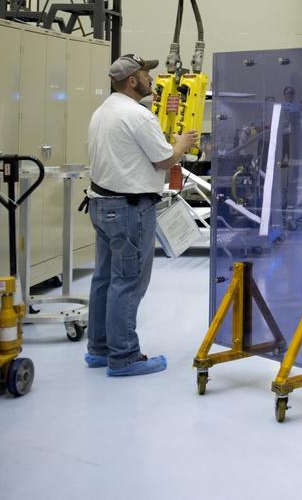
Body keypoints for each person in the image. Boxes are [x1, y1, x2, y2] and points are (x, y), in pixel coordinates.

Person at [86, 54, 198, 377]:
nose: (152, 78)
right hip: (129, 210)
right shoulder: (138, 116)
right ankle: (124, 356)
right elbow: (164, 160)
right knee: (129, 281)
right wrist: (181, 143)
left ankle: (99, 348)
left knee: (104, 279)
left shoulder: (102, 112)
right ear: (132, 81)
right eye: (146, 74)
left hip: (101, 204)